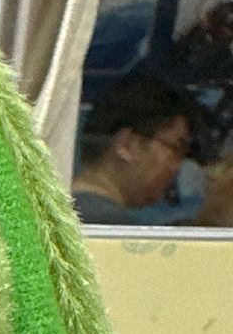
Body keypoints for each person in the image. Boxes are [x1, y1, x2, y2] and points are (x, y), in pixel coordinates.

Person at [72, 75, 233, 225]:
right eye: (176, 149)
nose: (177, 167)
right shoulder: (113, 228)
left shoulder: (67, 212)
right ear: (127, 144)